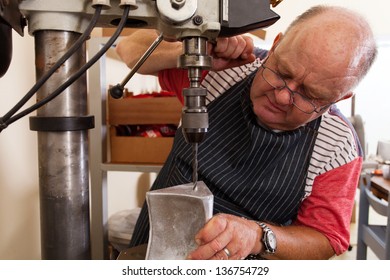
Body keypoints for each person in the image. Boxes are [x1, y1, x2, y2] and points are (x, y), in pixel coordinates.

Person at [116, 5, 377, 260]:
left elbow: (325, 239)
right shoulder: (225, 69)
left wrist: (258, 236)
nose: (284, 96)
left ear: (341, 97)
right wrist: (194, 50)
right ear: (276, 44)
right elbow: (128, 49)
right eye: (282, 72)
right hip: (155, 252)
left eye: (310, 94)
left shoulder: (339, 147)